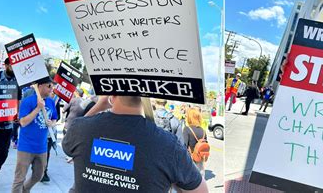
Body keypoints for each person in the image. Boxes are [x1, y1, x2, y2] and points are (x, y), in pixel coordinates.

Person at [62, 95, 208, 192]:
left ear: (111, 95)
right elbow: (201, 190)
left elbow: (69, 142)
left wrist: (99, 106)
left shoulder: (81, 128)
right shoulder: (168, 145)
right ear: (146, 98)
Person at [12, 77, 57, 192]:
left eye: (52, 86)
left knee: (39, 175)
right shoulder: (28, 101)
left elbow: (54, 118)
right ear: (40, 86)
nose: (52, 89)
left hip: (41, 148)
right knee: (19, 178)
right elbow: (23, 122)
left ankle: (25, 190)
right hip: (26, 147)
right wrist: (38, 108)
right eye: (49, 86)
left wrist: (51, 123)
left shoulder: (51, 102)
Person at [0, 58, 21, 187]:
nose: (15, 69)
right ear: (6, 65)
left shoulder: (18, 82)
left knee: (3, 153)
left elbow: (19, 99)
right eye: (13, 66)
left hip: (7, 124)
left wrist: (18, 114)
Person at [183, 108, 207, 176]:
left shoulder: (187, 129)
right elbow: (205, 144)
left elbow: (184, 145)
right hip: (200, 157)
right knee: (200, 174)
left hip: (191, 157)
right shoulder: (203, 130)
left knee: (191, 177)